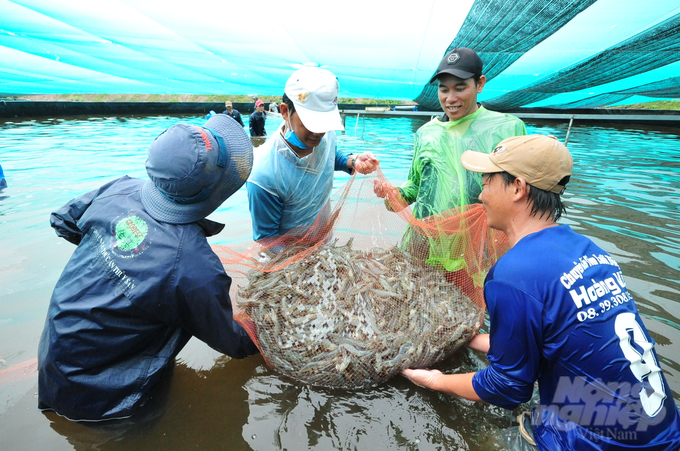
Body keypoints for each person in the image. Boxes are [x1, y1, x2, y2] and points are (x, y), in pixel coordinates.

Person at [403, 134, 680, 450]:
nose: (480, 194)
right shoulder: (591, 252)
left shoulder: (513, 274)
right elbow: (558, 338)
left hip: (607, 442)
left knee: (481, 434)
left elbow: (507, 388)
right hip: (665, 429)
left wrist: (435, 380)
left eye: (488, 181)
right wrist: (466, 338)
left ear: (518, 188)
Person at [37, 114, 259, 422]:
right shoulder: (195, 268)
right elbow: (231, 341)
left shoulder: (119, 188)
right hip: (104, 399)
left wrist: (113, 257)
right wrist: (268, 333)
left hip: (55, 352)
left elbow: (63, 220)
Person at [373, 47, 527, 276]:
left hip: (479, 249)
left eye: (460, 88)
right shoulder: (426, 134)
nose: (450, 98)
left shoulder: (508, 128)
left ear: (480, 84)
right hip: (426, 246)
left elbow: (525, 189)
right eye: (443, 90)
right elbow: (415, 187)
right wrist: (393, 195)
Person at [246, 67, 379, 243]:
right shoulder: (264, 174)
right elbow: (267, 239)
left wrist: (352, 161)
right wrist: (301, 266)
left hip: (324, 239)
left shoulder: (326, 134)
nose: (319, 132)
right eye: (311, 123)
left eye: (325, 123)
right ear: (285, 111)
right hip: (286, 255)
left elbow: (329, 154)